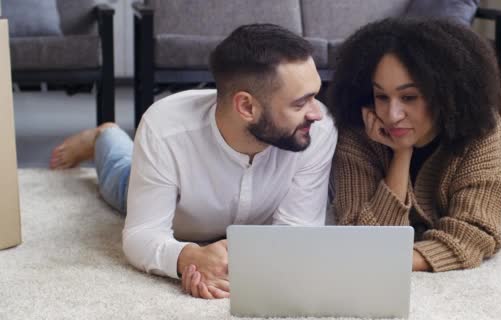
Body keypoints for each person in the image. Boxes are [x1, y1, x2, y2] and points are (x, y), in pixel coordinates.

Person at [49, 24, 337, 299]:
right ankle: (104, 135)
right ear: (246, 106)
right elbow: (141, 235)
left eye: (314, 96)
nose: (316, 113)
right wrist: (187, 257)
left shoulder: (316, 130)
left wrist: (236, 262)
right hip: (176, 209)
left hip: (228, 216)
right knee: (120, 178)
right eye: (300, 103)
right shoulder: (166, 128)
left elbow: (298, 235)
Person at [328, 18, 501, 272]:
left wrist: (392, 261)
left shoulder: (479, 130)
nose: (392, 115)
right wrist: (401, 153)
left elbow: (477, 232)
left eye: (409, 97)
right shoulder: (359, 131)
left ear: (445, 94)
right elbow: (362, 236)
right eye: (382, 96)